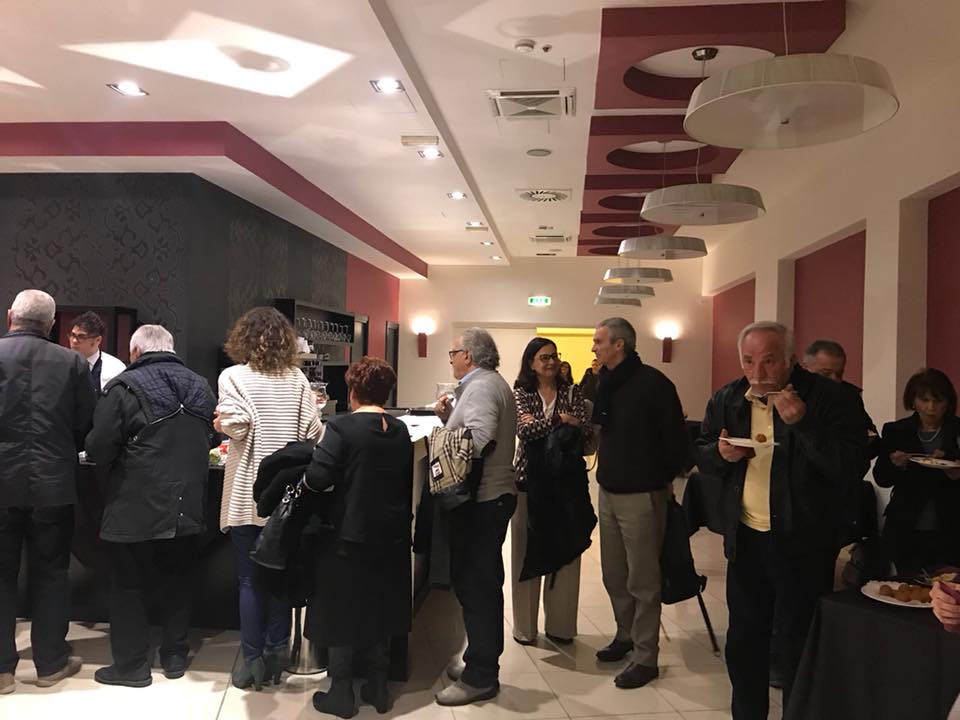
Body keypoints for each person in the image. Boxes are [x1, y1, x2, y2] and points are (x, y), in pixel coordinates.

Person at [696, 321, 865, 719]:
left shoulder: (831, 398)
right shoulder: (728, 398)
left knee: (798, 645)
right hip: (746, 539)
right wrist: (720, 454)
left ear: (790, 359)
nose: (757, 373)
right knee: (744, 644)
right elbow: (701, 451)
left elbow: (851, 467)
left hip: (803, 542)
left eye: (769, 361)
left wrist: (804, 424)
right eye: (748, 361)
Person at [84, 325, 216, 687]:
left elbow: (99, 447)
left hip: (134, 502)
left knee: (128, 584)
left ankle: (131, 666)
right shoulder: (201, 386)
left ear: (135, 352)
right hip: (188, 501)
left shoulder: (123, 387)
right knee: (178, 579)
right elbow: (211, 437)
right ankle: (174, 656)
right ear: (170, 348)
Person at [216, 307, 323, 690]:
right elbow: (314, 432)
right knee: (280, 575)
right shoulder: (296, 379)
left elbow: (237, 425)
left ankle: (252, 661)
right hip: (287, 496)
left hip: (247, 494)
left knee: (249, 580)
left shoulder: (233, 376)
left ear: (243, 338)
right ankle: (278, 652)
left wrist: (221, 422)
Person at [303, 357, 413, 718]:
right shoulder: (399, 430)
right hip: (392, 535)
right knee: (380, 606)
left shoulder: (341, 428)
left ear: (353, 390)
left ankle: (341, 692)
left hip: (348, 535)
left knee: (343, 611)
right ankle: (378, 687)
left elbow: (318, 478)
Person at [0, 289, 96, 694]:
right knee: (51, 574)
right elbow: (86, 423)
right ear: (53, 324)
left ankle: (2, 671)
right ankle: (50, 663)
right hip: (53, 482)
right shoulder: (72, 362)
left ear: (11, 316)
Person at [589, 317, 688, 690]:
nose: (594, 347)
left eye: (599, 341)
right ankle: (625, 634)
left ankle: (646, 657)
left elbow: (676, 442)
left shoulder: (654, 384)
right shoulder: (605, 382)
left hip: (643, 495)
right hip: (609, 492)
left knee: (643, 579)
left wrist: (659, 481)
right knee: (614, 574)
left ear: (620, 345)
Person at [433, 327, 517, 706]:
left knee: (478, 586)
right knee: (478, 584)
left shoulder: (481, 387)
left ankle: (481, 675)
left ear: (467, 355)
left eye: (453, 353)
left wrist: (444, 439)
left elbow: (479, 440)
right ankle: (477, 661)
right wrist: (451, 418)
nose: (451, 360)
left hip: (484, 499)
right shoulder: (486, 384)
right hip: (490, 498)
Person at [511, 337, 594, 646]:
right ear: (530, 363)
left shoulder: (573, 392)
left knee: (566, 555)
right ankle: (525, 628)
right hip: (528, 483)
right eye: (543, 357)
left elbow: (585, 432)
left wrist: (547, 422)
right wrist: (561, 419)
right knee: (525, 555)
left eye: (553, 356)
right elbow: (525, 431)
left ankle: (561, 627)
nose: (550, 362)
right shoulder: (521, 393)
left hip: (566, 485)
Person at [873, 368, 960, 578]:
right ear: (912, 401)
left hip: (951, 527)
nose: (931, 408)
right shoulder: (896, 430)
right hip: (906, 526)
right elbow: (881, 478)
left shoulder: (957, 429)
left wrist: (955, 474)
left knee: (947, 588)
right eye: (924, 400)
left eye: (938, 401)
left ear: (948, 402)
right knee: (909, 587)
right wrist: (896, 465)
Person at [801, 339, 880, 460]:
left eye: (839, 374)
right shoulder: (794, 397)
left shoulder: (849, 396)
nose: (833, 379)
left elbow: (873, 440)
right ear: (805, 368)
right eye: (825, 373)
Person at [69, 310, 126, 392]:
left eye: (81, 337)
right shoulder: (63, 362)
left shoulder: (115, 368)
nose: (74, 341)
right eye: (72, 335)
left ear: (97, 340)